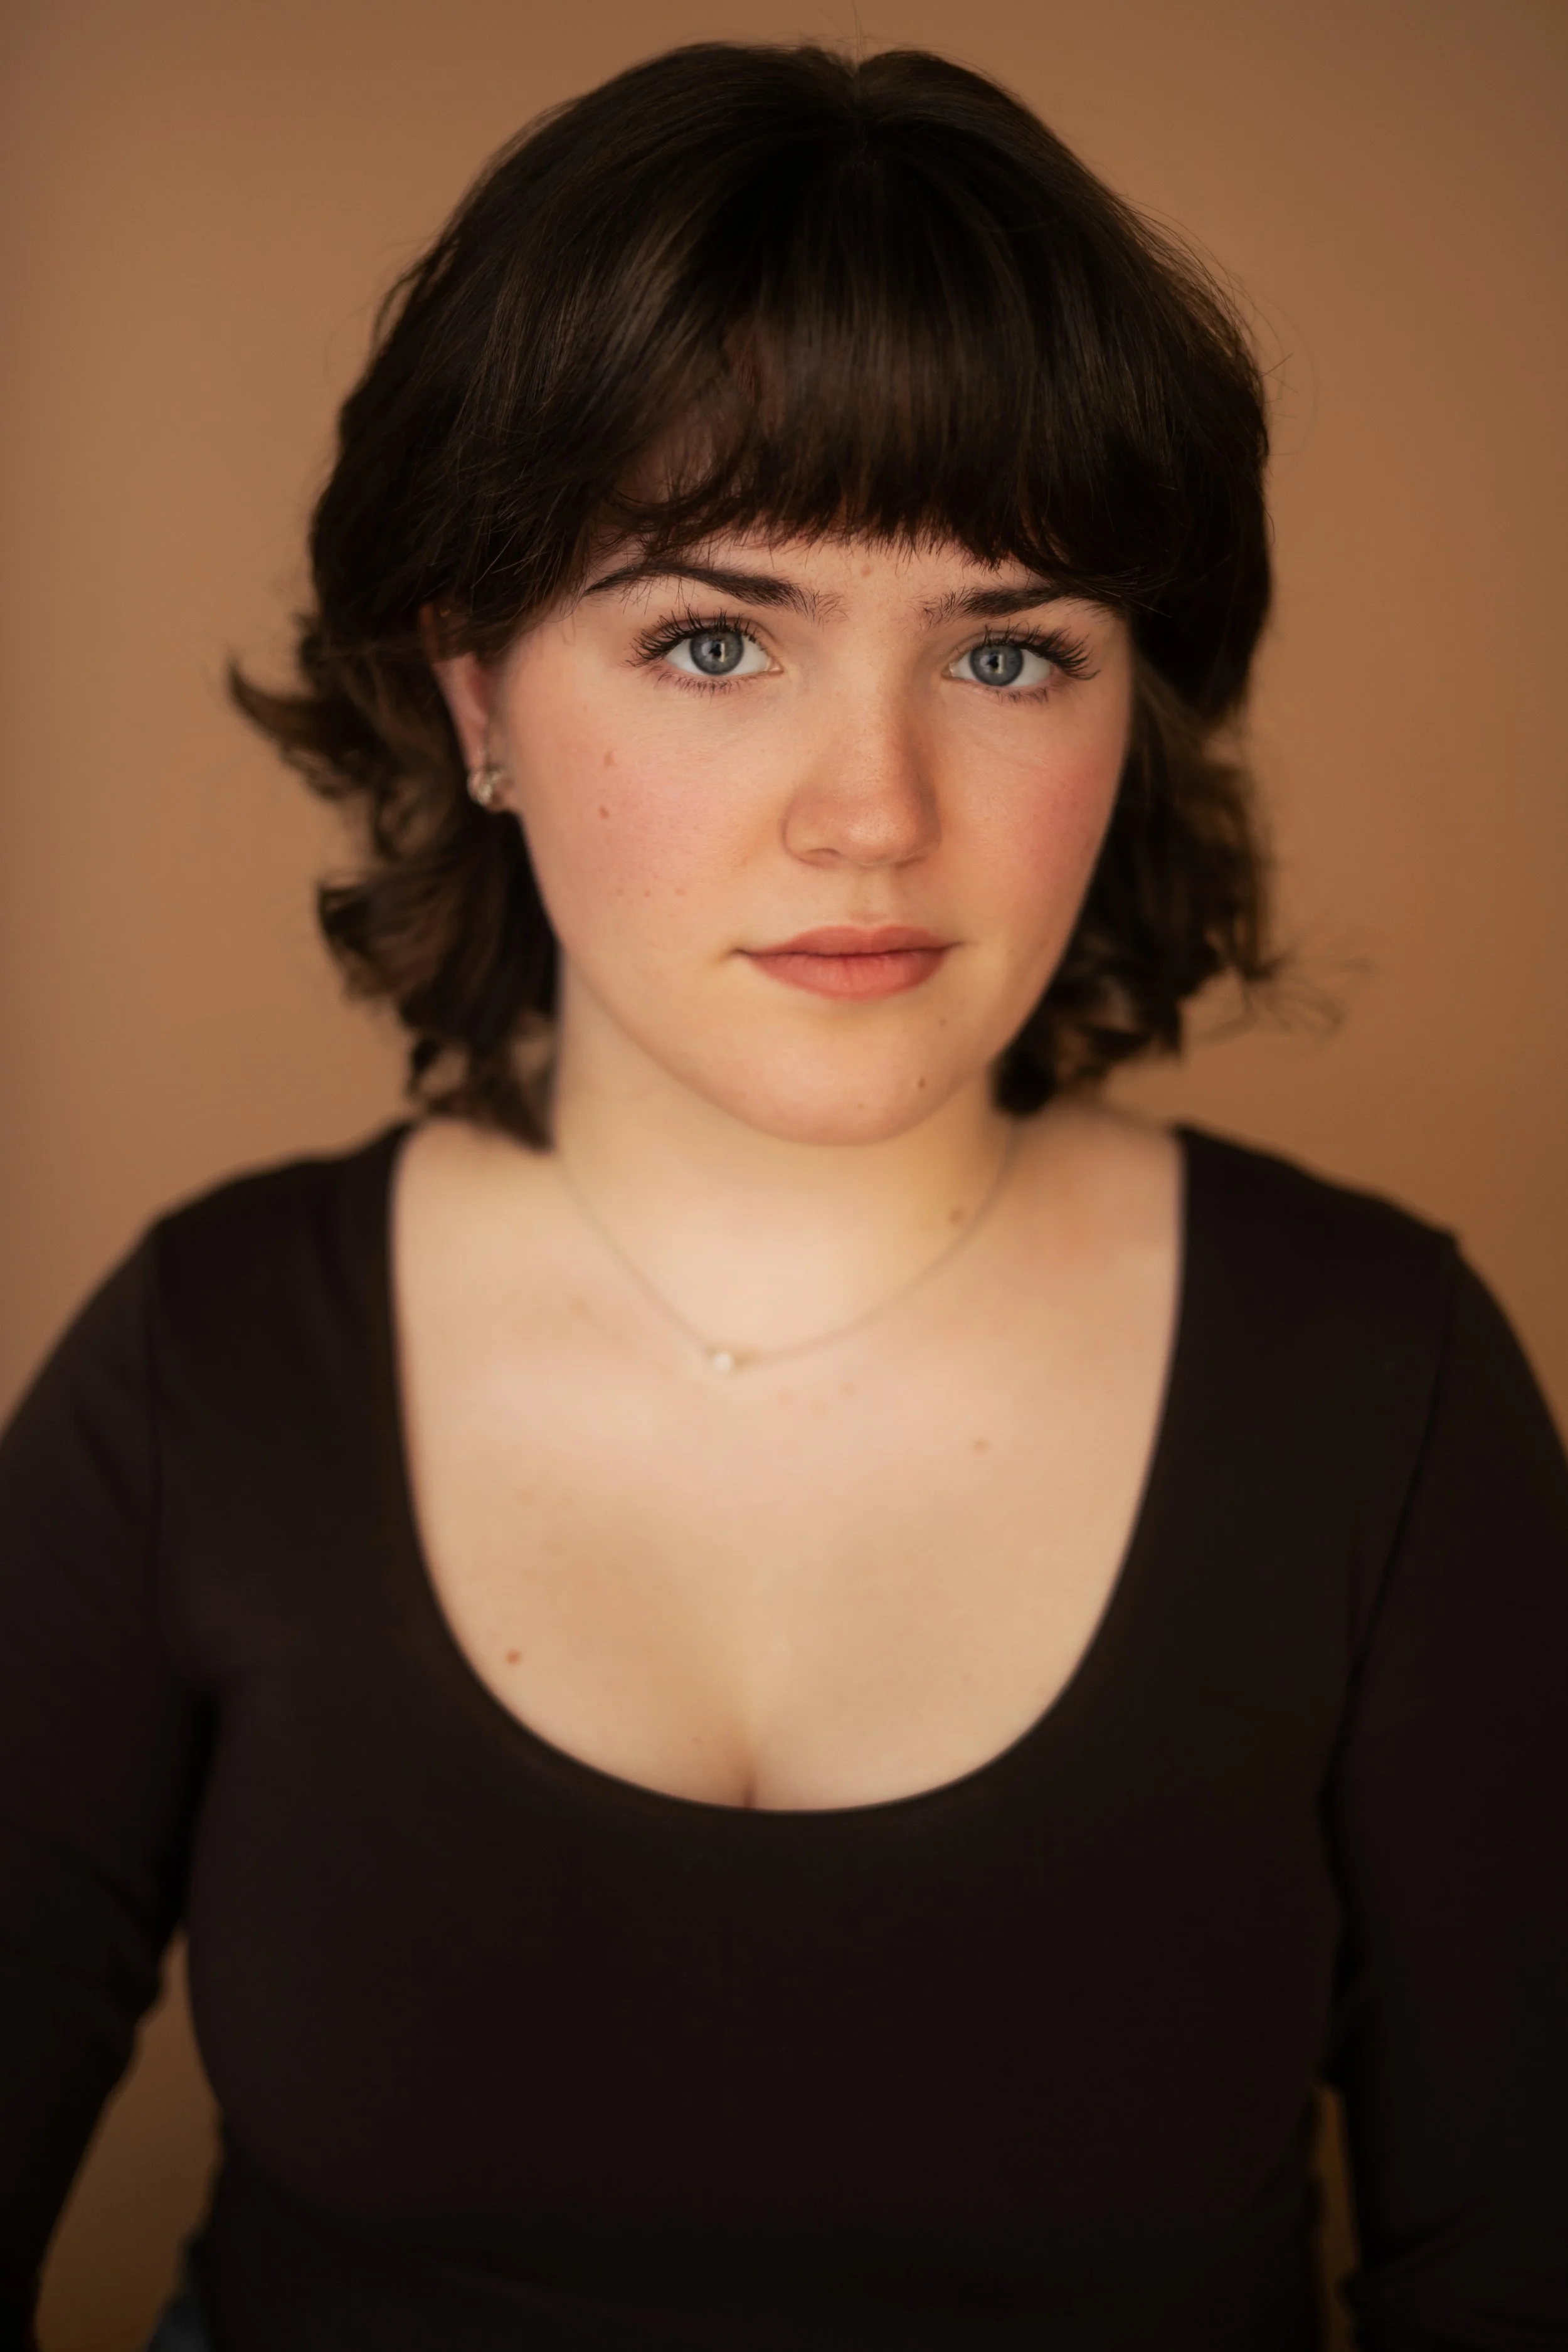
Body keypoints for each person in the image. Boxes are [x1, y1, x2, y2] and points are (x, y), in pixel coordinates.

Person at [1, 38, 1564, 2352]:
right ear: (478, 699)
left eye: (1010, 648)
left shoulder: (1384, 1388)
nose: (872, 809)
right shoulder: (203, 1364)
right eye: (713, 637)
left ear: (1134, 714)